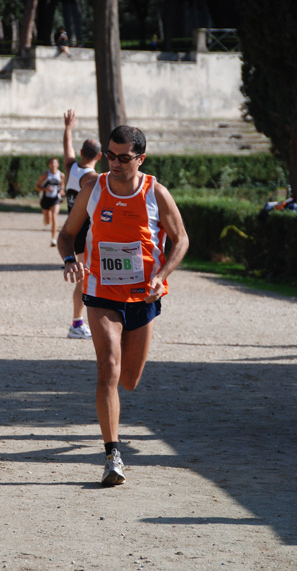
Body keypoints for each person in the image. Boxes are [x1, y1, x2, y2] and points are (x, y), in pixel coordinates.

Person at [58, 125, 189, 486]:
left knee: (128, 380)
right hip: (101, 291)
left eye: (123, 157)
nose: (114, 163)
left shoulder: (156, 194)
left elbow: (181, 240)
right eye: (109, 155)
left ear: (140, 159)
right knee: (108, 368)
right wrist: (70, 259)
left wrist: (161, 275)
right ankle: (112, 453)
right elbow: (67, 233)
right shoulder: (93, 188)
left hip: (144, 295)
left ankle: (113, 431)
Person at [63, 108, 102, 339]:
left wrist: (68, 128)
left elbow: (67, 148)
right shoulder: (95, 178)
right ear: (99, 157)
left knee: (85, 278)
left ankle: (79, 322)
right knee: (84, 279)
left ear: (81, 152)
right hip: (86, 233)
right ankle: (77, 324)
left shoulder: (72, 168)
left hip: (73, 230)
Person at [35, 157, 65, 247]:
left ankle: (53, 239)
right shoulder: (45, 175)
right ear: (49, 165)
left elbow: (62, 186)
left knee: (54, 216)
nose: (53, 165)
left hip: (55, 199)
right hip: (45, 199)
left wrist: (61, 191)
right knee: (48, 220)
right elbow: (37, 187)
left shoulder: (61, 175)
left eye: (55, 163)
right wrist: (45, 189)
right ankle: (46, 219)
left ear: (58, 164)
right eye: (51, 163)